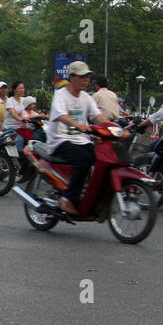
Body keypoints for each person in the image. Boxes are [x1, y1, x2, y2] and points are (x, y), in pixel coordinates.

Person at [46, 61, 102, 216]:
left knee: (101, 157)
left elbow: (98, 116)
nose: (86, 80)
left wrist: (113, 126)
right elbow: (60, 115)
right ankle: (68, 198)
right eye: (82, 76)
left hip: (82, 140)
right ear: (71, 77)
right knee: (84, 159)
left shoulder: (86, 97)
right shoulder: (61, 95)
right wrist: (78, 124)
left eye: (88, 77)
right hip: (60, 140)